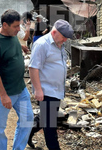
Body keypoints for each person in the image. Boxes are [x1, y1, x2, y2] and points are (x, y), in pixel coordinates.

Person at [0, 9, 34, 150]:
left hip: (21, 88)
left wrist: (20, 47)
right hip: (5, 92)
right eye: (16, 26)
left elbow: (11, 45)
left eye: (19, 26)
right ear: (5, 25)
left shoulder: (12, 35)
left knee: (27, 120)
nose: (19, 30)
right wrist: (3, 95)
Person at [28, 19, 74, 150]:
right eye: (64, 37)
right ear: (54, 32)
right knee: (50, 126)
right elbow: (33, 68)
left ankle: (27, 133)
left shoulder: (60, 44)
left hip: (56, 90)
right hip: (46, 90)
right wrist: (38, 90)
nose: (65, 40)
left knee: (44, 118)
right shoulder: (42, 44)